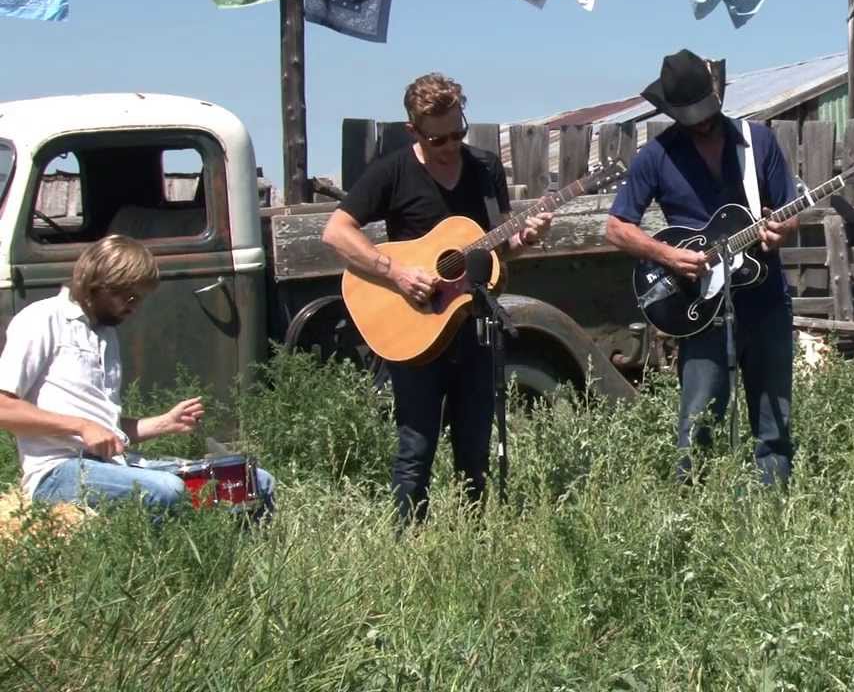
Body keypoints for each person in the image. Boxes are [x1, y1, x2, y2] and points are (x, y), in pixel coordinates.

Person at [322, 72, 552, 524]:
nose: (450, 144)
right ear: (414, 131)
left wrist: (525, 238)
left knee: (474, 445)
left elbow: (496, 250)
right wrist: (399, 273)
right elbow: (336, 232)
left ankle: (473, 539)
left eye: (457, 131)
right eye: (438, 137)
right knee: (416, 445)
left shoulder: (485, 168)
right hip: (415, 326)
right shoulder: (393, 171)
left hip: (473, 325)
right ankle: (408, 543)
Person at [605, 49, 798, 486]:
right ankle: (692, 520)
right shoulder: (657, 155)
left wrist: (780, 230)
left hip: (765, 301)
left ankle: (771, 516)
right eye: (690, 116)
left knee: (774, 424)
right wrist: (667, 256)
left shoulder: (757, 142)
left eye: (706, 112)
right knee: (698, 427)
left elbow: (790, 212)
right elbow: (616, 228)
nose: (702, 122)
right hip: (700, 309)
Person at [0, 235, 275, 514]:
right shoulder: (41, 319)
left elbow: (107, 430)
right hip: (58, 472)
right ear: (98, 284)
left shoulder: (106, 335)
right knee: (168, 491)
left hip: (113, 465)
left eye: (139, 298)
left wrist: (164, 423)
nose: (134, 307)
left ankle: (231, 556)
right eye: (128, 296)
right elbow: (4, 408)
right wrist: (81, 426)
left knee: (254, 480)